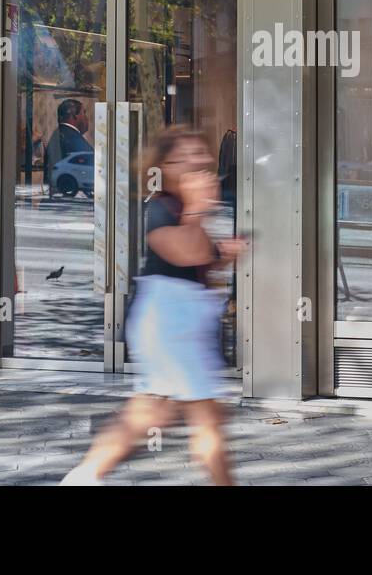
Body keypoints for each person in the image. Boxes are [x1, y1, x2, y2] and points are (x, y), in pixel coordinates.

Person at [60, 128, 246, 485]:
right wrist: (196, 209)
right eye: (189, 155)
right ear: (167, 164)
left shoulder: (182, 208)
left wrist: (226, 253)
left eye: (201, 155)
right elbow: (182, 252)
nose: (201, 162)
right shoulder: (161, 208)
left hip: (181, 323)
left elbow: (198, 262)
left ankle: (83, 477)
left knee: (146, 416)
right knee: (207, 425)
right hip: (170, 324)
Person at [44, 98, 92, 196]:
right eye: (84, 113)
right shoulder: (72, 138)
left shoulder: (60, 133)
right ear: (75, 116)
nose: (87, 118)